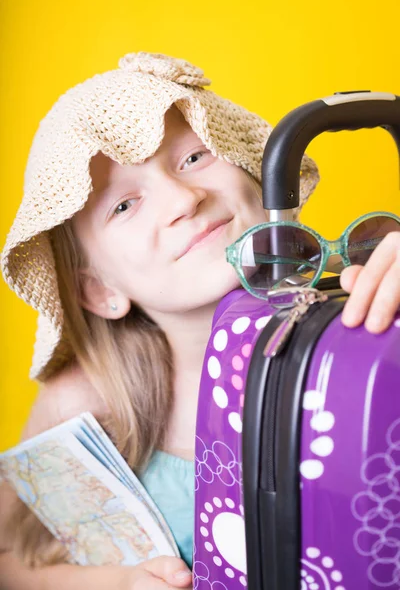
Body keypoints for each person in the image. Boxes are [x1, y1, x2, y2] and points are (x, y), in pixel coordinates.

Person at [0, 52, 399, 590]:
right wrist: (110, 582)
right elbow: (9, 557)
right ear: (98, 289)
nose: (184, 198)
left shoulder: (371, 311)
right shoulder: (87, 407)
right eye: (123, 205)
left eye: (192, 158)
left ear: (254, 171)